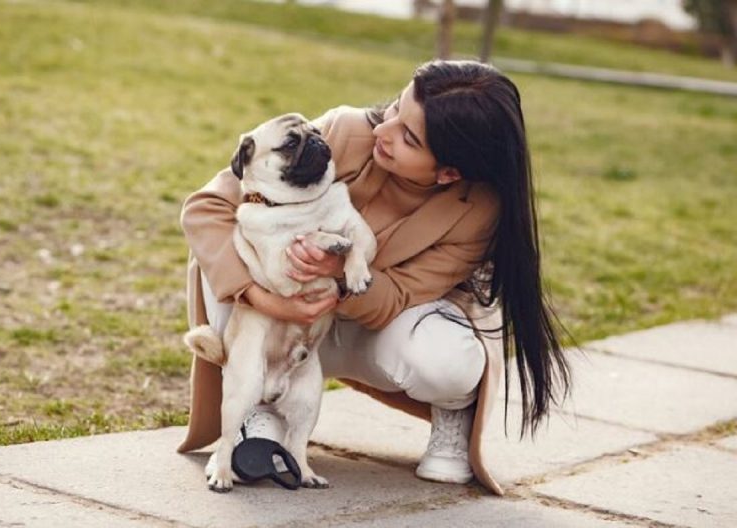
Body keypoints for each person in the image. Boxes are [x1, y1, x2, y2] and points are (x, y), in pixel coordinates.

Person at [176, 59, 571, 496]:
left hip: (375, 328)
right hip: (274, 320)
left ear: (449, 173)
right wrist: (260, 298)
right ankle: (263, 406)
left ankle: (454, 413)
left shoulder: (475, 213)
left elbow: (397, 296)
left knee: (448, 363)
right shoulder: (345, 131)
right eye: (395, 109)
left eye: (408, 136)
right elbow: (205, 208)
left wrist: (337, 272)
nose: (385, 130)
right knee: (226, 256)